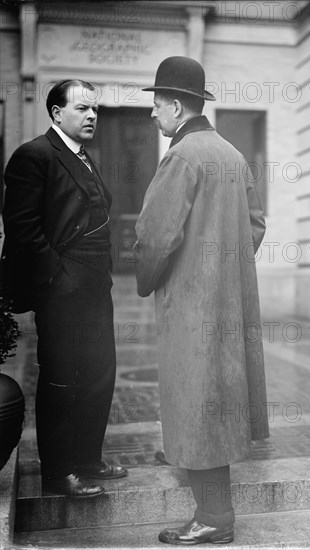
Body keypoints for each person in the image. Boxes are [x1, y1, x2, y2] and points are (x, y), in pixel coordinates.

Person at [134, 57, 269, 545]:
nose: (152, 114)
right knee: (215, 405)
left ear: (174, 106)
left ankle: (213, 519)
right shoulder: (231, 153)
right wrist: (223, 272)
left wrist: (149, 281)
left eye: (155, 105)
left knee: (196, 406)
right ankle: (216, 514)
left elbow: (154, 237)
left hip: (190, 309)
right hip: (227, 304)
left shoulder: (182, 156)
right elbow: (255, 225)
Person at [0, 79, 127, 498]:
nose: (92, 116)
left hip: (94, 286)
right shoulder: (35, 155)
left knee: (98, 374)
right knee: (63, 378)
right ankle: (60, 470)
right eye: (82, 109)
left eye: (96, 109)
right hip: (63, 288)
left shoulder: (84, 157)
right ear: (56, 114)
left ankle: (88, 458)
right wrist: (58, 278)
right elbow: (21, 228)